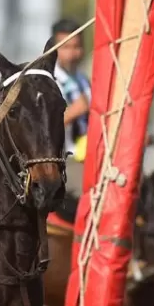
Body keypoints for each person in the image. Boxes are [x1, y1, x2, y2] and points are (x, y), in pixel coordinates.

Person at [46, 18, 91, 191]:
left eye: (77, 47)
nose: (72, 54)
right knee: (94, 191)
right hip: (63, 160)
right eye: (66, 47)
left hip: (90, 154)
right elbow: (44, 128)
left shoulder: (83, 80)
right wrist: (73, 112)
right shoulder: (48, 82)